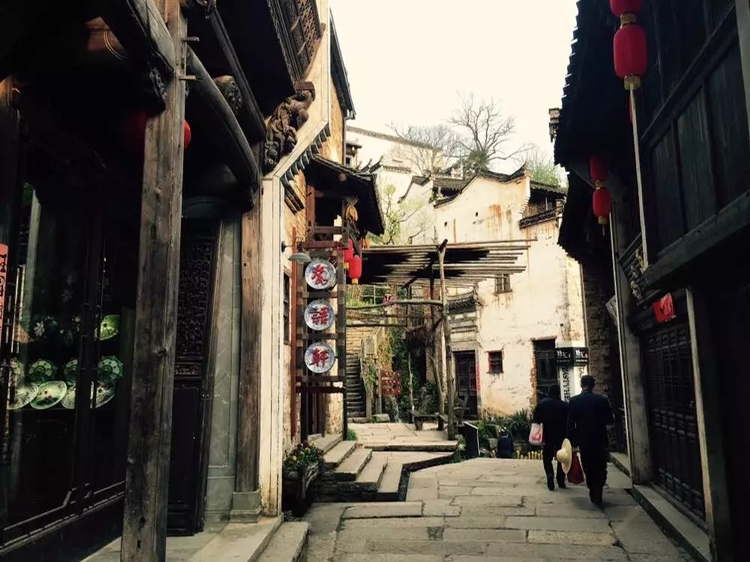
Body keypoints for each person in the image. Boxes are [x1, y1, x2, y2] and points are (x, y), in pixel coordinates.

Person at [567, 375, 614, 505]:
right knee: (600, 465)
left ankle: (592, 487)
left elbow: (570, 424)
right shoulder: (601, 400)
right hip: (599, 439)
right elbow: (609, 420)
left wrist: (571, 441)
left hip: (584, 440)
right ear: (593, 385)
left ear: (581, 385)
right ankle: (598, 487)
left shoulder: (574, 401)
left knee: (587, 465)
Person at [532, 384, 569, 491]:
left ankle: (549, 474)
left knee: (547, 457)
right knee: (562, 457)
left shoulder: (542, 404)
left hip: (547, 434)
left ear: (549, 392)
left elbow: (536, 419)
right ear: (559, 392)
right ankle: (561, 480)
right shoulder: (565, 405)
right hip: (561, 435)